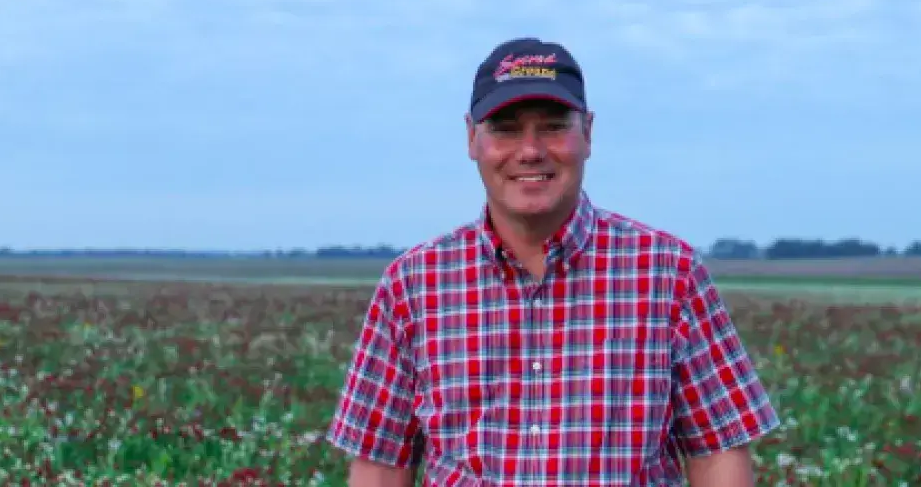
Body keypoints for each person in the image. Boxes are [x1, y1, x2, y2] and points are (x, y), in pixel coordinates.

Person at [327, 37, 781, 487]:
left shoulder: (668, 272)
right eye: (505, 128)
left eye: (552, 126)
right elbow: (380, 462)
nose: (530, 150)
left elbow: (717, 449)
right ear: (472, 138)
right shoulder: (414, 284)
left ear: (588, 133)